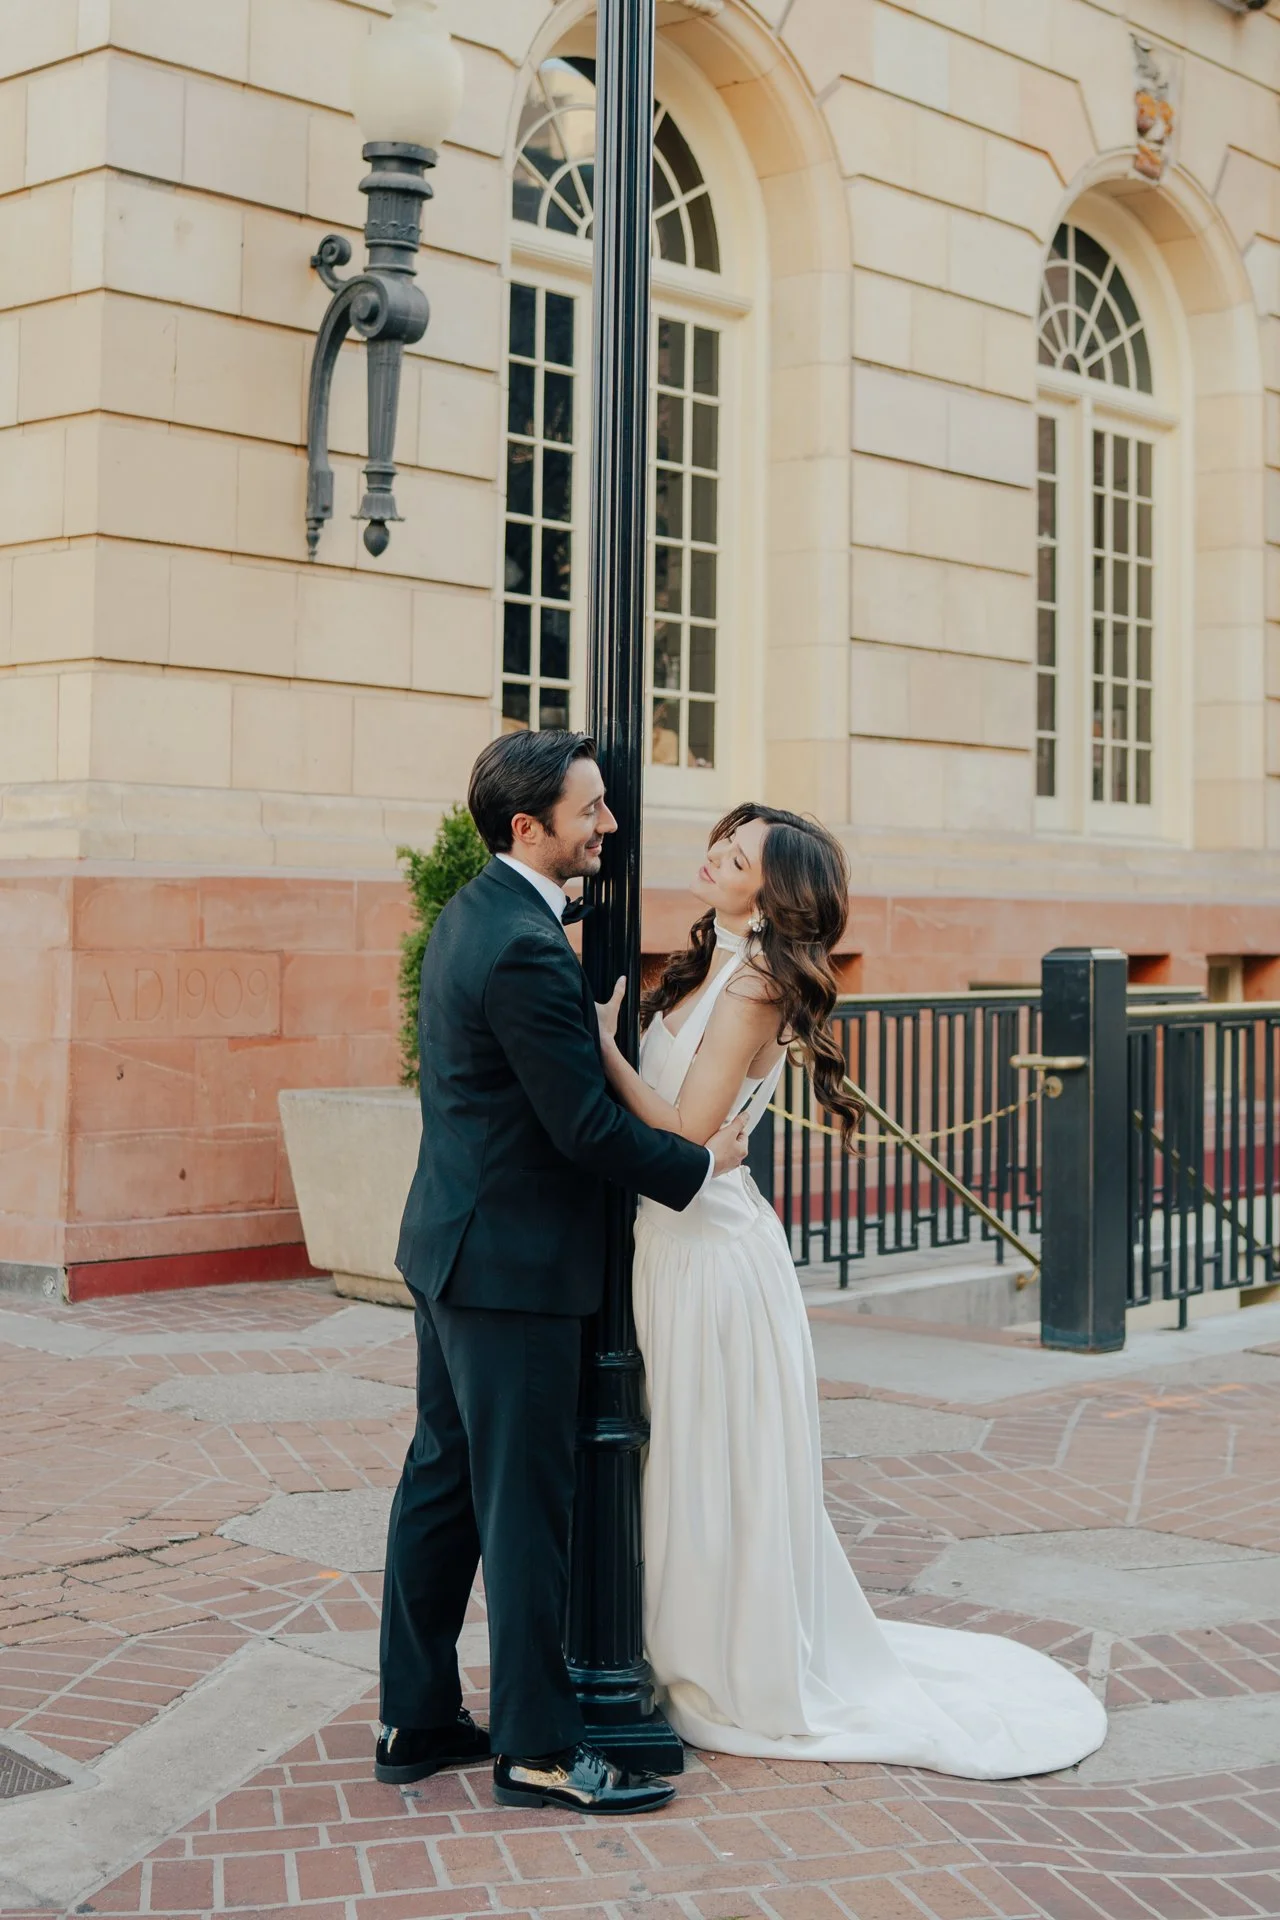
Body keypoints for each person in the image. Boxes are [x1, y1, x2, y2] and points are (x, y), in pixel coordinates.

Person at [595, 804, 1108, 1778]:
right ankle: (669, 1641)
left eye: (735, 854)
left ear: (771, 888)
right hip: (668, 1241)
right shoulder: (709, 960)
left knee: (706, 1457)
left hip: (709, 1256)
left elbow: (679, 1131)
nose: (712, 856)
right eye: (720, 839)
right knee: (673, 1456)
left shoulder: (751, 984)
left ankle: (716, 1659)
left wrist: (599, 1048)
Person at [378, 731, 750, 1816]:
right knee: (525, 1508)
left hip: (451, 1248)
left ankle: (416, 1716)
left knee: (442, 1488)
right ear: (527, 829)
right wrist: (696, 1162)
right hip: (511, 1272)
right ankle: (538, 1750)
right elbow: (585, 1130)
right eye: (591, 811)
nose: (611, 826)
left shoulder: (476, 911)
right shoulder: (527, 949)